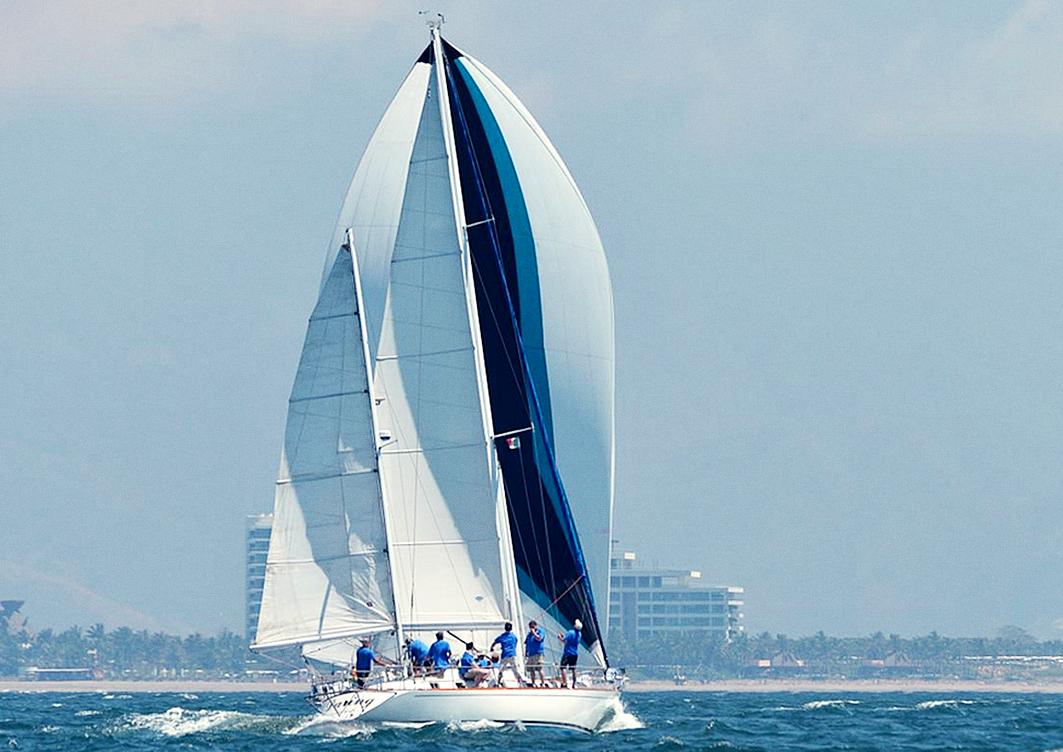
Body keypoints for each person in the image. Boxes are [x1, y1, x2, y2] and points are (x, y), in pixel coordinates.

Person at [557, 619, 582, 688]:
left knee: (563, 667)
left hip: (567, 653)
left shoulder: (570, 632)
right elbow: (570, 640)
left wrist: (560, 637)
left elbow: (564, 640)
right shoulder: (579, 634)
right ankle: (574, 684)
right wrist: (563, 636)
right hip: (575, 654)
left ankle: (564, 683)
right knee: (573, 669)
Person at [524, 619, 545, 686]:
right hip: (531, 654)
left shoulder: (540, 631)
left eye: (533, 626)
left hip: (538, 653)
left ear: (536, 626)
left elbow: (539, 638)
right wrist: (526, 652)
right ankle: (533, 682)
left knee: (540, 668)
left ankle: (543, 682)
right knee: (531, 669)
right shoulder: (529, 634)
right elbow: (527, 643)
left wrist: (534, 633)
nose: (532, 628)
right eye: (530, 627)